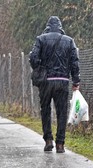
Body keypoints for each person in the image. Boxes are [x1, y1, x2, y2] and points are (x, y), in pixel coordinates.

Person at [29, 16, 80, 153]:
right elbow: (75, 62)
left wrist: (39, 67)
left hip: (46, 81)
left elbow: (33, 58)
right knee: (62, 112)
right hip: (63, 81)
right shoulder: (69, 41)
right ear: (60, 27)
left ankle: (48, 140)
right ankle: (60, 144)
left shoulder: (41, 39)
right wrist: (76, 81)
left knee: (45, 110)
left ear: (48, 27)